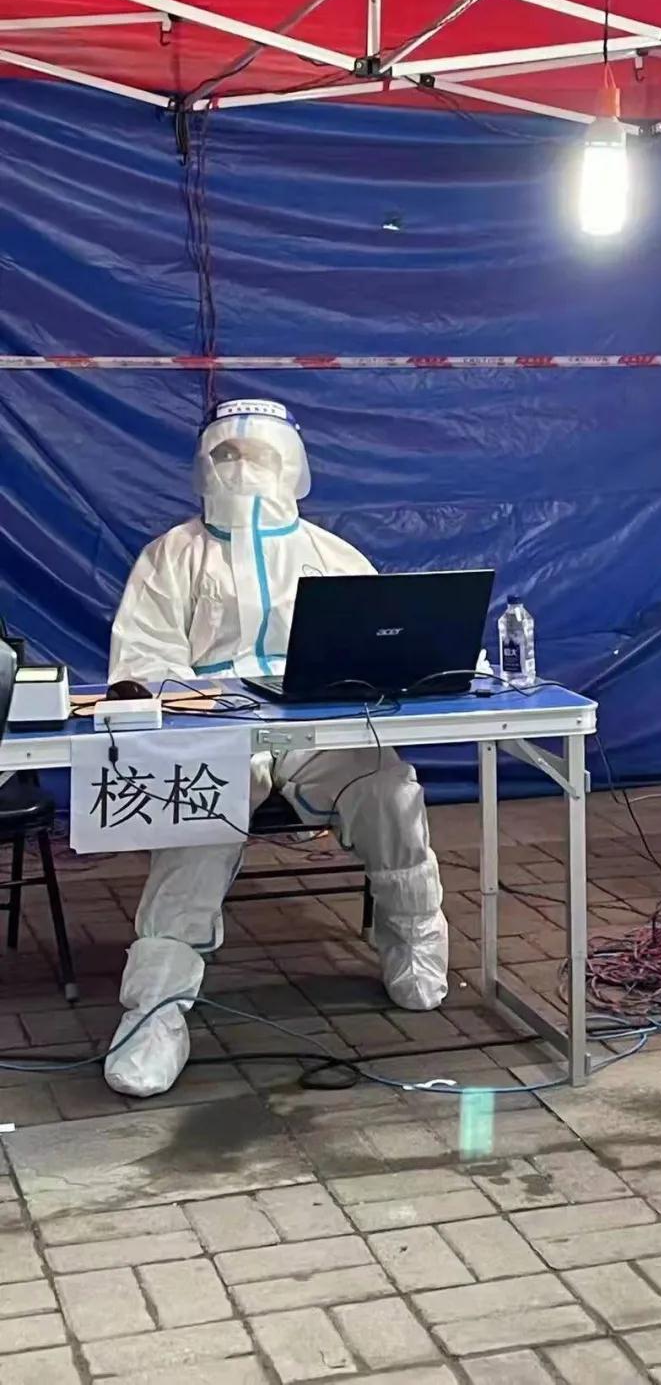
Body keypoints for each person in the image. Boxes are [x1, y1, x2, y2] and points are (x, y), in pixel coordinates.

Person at [105, 399, 448, 1097]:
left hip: (321, 730)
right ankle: (155, 1011)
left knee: (389, 790)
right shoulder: (171, 558)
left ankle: (412, 938)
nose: (241, 468)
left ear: (291, 463)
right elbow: (140, 667)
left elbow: (378, 650)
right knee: (198, 818)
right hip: (217, 733)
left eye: (259, 453)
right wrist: (214, 703)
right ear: (203, 462)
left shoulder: (333, 556)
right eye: (226, 454)